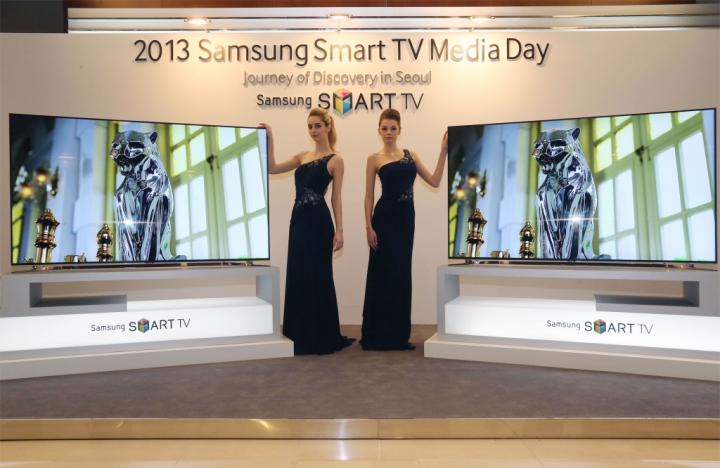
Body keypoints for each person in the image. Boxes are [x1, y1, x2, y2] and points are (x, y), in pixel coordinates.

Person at [259, 109, 354, 355]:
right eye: (310, 126)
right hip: (299, 222)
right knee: (299, 273)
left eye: (318, 126)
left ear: (328, 127)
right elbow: (272, 168)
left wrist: (340, 231)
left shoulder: (336, 160)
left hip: (319, 223)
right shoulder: (302, 156)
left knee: (318, 276)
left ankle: (320, 335)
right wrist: (270, 138)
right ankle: (299, 333)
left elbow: (336, 198)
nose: (313, 130)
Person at [360, 109, 448, 351]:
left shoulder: (411, 155)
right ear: (379, 131)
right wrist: (368, 226)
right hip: (383, 220)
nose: (388, 132)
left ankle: (398, 336)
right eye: (384, 128)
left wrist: (443, 152)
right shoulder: (374, 158)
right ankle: (378, 335)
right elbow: (368, 195)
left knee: (400, 274)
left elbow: (434, 181)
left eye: (393, 128)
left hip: (405, 221)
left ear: (399, 130)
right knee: (382, 275)